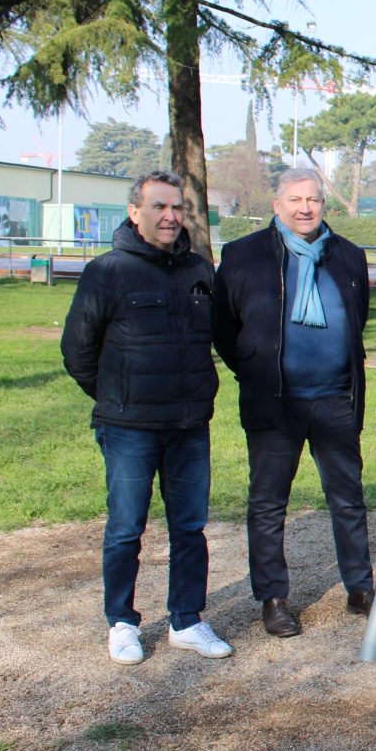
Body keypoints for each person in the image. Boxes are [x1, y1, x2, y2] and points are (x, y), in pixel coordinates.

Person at [212, 170, 376, 638]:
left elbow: (357, 320)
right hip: (276, 402)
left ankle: (360, 589)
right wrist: (255, 367)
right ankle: (273, 598)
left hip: (334, 398)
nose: (304, 208)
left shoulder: (348, 256)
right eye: (295, 199)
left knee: (348, 498)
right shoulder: (243, 256)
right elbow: (222, 327)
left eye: (313, 199)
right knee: (269, 503)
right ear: (276, 204)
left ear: (323, 205)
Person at [61, 171, 233, 665]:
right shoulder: (107, 271)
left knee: (190, 526)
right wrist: (119, 395)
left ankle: (187, 620)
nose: (170, 217)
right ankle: (121, 622)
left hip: (189, 426)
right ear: (135, 211)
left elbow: (215, 336)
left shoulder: (200, 269)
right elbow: (78, 350)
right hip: (129, 426)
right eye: (159, 207)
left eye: (177, 208)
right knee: (125, 528)